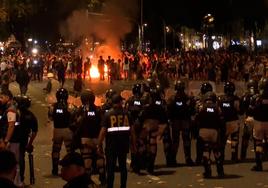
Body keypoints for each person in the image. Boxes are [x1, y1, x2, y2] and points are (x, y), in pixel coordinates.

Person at [98, 94, 136, 188]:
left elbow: (103, 132)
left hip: (111, 146)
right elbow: (132, 131)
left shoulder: (108, 114)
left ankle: (110, 186)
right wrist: (134, 145)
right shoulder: (127, 114)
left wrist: (99, 145)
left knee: (110, 168)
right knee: (123, 167)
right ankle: (123, 186)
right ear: (120, 102)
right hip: (123, 145)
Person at [72, 89, 106, 186]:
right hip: (96, 138)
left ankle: (87, 181)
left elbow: (73, 124)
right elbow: (103, 124)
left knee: (87, 160)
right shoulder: (98, 110)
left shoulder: (80, 110)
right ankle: (103, 178)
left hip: (85, 139)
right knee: (100, 159)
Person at [138, 87, 168, 174]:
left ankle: (140, 164)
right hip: (154, 130)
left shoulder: (146, 108)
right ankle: (150, 164)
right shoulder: (161, 108)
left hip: (146, 130)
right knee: (152, 146)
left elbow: (140, 119)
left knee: (142, 146)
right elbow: (164, 121)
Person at [195, 91, 224, 178]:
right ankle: (220, 170)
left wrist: (196, 132)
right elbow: (221, 121)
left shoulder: (200, 107)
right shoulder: (217, 108)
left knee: (206, 151)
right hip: (214, 131)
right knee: (216, 150)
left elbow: (196, 119)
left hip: (203, 130)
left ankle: (208, 171)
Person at [167, 80, 195, 166]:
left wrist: (170, 119)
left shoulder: (172, 98)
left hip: (176, 121)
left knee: (176, 140)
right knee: (186, 140)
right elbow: (192, 109)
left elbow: (169, 110)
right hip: (184, 120)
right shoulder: (187, 98)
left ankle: (173, 159)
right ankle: (187, 158)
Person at [48, 88, 73, 175]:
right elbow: (73, 117)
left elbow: (50, 117)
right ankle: (71, 168)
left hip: (57, 130)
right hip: (67, 130)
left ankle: (55, 169)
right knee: (70, 151)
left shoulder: (52, 106)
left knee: (56, 150)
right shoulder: (69, 106)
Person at [0, 89, 23, 187]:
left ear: (7, 97)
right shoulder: (8, 107)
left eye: (1, 97)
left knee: (13, 162)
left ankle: (16, 183)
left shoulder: (11, 109)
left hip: (12, 141)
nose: (0, 99)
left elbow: (11, 125)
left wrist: (6, 140)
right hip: (11, 140)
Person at [14, 95, 38, 184]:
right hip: (23, 139)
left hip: (14, 140)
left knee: (18, 159)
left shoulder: (15, 113)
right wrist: (29, 143)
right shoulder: (31, 116)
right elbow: (34, 132)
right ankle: (21, 179)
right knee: (21, 159)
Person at [248, 77, 268, 171]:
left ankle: (259, 165)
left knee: (258, 143)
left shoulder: (256, 98)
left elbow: (250, 111)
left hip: (258, 123)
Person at [218, 81, 240, 162]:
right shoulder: (236, 99)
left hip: (224, 122)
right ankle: (234, 156)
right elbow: (238, 109)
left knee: (222, 141)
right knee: (234, 140)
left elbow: (219, 110)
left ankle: (222, 156)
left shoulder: (220, 98)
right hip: (234, 121)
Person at [125, 83, 145, 173]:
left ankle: (135, 163)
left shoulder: (129, 101)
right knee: (140, 144)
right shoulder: (141, 101)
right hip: (139, 125)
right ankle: (139, 163)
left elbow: (126, 112)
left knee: (133, 145)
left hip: (131, 125)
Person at [193, 82, 213, 165]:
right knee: (200, 140)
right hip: (201, 122)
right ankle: (199, 158)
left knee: (209, 142)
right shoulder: (199, 98)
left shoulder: (213, 98)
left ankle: (206, 157)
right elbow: (197, 109)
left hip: (209, 121)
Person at [240, 79, 259, 160]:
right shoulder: (259, 96)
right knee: (258, 139)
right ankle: (259, 156)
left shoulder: (245, 96)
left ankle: (242, 156)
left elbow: (241, 110)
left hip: (248, 119)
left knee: (245, 138)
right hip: (258, 119)